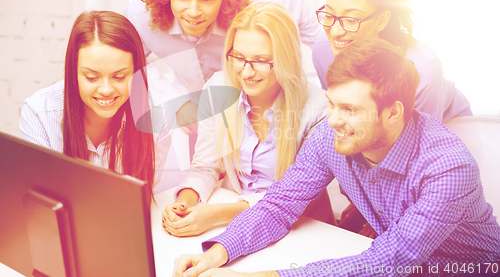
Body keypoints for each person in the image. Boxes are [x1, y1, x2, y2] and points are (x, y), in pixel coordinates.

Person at [172, 39, 500, 277]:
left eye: (350, 109)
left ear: (393, 112)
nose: (333, 120)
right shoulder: (333, 137)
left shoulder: (448, 167)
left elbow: (390, 261)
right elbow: (279, 205)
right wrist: (217, 254)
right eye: (332, 103)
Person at [161, 2, 330, 237]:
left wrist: (216, 214)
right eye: (238, 57)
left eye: (261, 61)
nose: (246, 72)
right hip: (236, 223)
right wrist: (185, 201)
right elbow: (205, 166)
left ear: (286, 59)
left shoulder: (319, 109)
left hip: (302, 229)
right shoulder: (218, 88)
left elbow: (293, 197)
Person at [123, 0, 321, 134]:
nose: (193, 12)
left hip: (252, 113)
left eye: (206, 0)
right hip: (193, 118)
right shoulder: (141, 18)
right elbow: (130, 64)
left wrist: (333, 83)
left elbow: (297, 7)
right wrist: (177, 100)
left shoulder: (251, 9)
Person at [19, 11, 171, 197]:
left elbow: (142, 195)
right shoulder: (39, 113)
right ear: (73, 72)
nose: (106, 89)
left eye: (119, 76)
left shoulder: (157, 114)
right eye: (92, 77)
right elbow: (39, 200)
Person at [312, 0, 472, 123]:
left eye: (351, 20)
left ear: (381, 20)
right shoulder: (323, 51)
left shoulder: (423, 69)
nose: (336, 32)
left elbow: (421, 141)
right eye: (329, 15)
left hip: (450, 125)